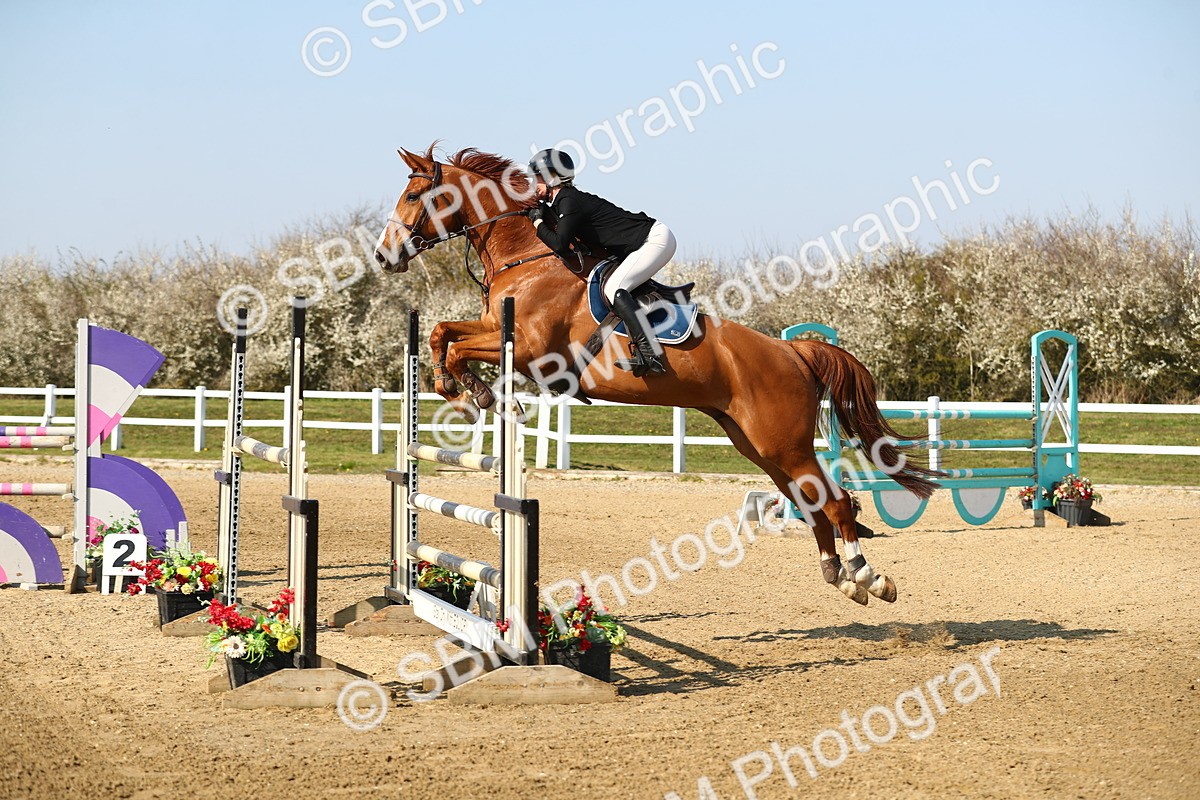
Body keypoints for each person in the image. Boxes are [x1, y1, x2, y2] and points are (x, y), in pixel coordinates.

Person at [526, 148, 677, 377]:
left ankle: (649, 353)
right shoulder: (562, 202)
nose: (533, 184)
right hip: (642, 242)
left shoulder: (569, 200)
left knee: (615, 287)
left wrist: (537, 222)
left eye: (536, 178)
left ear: (551, 178)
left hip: (654, 240)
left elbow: (559, 243)